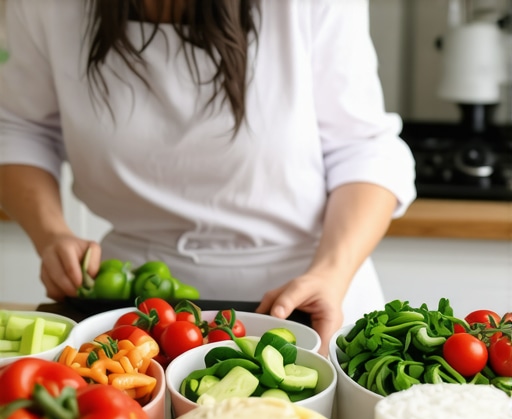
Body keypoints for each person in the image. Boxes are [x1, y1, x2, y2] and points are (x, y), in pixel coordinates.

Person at [0, 0, 416, 355]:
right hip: (135, 310)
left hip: (311, 296)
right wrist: (51, 233)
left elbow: (363, 148)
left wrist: (331, 273)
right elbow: (20, 128)